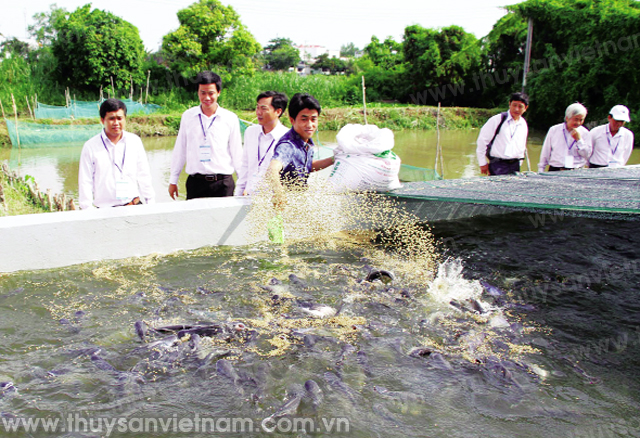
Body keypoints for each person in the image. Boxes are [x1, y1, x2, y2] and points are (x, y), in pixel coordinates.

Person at [168, 71, 243, 200]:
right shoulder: (188, 116)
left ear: (218, 92)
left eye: (211, 93)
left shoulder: (230, 118)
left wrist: (243, 183)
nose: (207, 98)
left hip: (223, 184)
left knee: (223, 220)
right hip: (196, 183)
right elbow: (180, 149)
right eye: (203, 93)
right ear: (198, 92)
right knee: (194, 220)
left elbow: (237, 152)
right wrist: (173, 180)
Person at [78, 98, 155, 210]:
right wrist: (88, 210)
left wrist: (151, 203)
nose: (116, 123)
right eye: (111, 118)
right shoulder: (90, 146)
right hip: (105, 211)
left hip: (133, 206)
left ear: (125, 119)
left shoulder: (134, 141)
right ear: (102, 120)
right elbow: (85, 181)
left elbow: (144, 175)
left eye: (119, 118)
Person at [265, 93, 334, 192]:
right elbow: (272, 169)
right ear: (292, 120)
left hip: (300, 199)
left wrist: (333, 159)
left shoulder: (306, 142)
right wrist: (278, 191)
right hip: (286, 201)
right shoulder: (288, 145)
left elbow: (307, 166)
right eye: (304, 119)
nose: (310, 125)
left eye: (313, 119)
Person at [234, 91, 289, 196]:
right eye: (257, 107)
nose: (258, 112)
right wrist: (238, 194)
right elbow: (245, 166)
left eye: (264, 109)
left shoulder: (287, 138)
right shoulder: (250, 132)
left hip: (273, 199)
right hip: (249, 196)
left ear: (278, 111)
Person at [476, 92, 529, 175]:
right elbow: (482, 141)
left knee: (513, 188)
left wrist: (520, 162)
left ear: (525, 108)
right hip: (498, 164)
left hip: (515, 165)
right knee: (497, 187)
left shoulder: (523, 124)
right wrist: (482, 163)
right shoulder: (498, 119)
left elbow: (522, 145)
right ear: (509, 104)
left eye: (520, 106)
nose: (516, 109)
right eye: (514, 105)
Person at [538, 103, 592, 172]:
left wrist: (579, 140)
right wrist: (541, 169)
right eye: (576, 119)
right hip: (556, 169)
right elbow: (546, 151)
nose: (578, 123)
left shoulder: (585, 133)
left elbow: (587, 155)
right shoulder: (554, 130)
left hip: (576, 171)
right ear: (567, 118)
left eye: (581, 120)